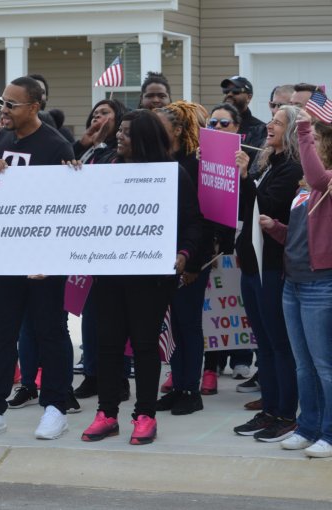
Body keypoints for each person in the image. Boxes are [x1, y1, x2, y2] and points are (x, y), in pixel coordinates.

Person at [80, 109, 202, 445]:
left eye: (126, 132)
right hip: (109, 273)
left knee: (145, 346)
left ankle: (145, 415)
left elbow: (193, 222)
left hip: (151, 278)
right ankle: (107, 414)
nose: (119, 136)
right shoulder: (106, 169)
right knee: (108, 345)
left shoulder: (172, 174)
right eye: (119, 131)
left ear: (145, 138)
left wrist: (184, 254)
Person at [0, 76, 76, 441]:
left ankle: (55, 407)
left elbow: (67, 203)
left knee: (50, 330)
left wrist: (53, 257)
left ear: (34, 107)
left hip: (44, 259)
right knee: (4, 331)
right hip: (5, 254)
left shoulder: (57, 145)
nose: (3, 109)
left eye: (11, 104)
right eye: (2, 102)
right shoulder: (1, 137)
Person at [261, 108, 332, 458]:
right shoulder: (305, 188)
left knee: (324, 366)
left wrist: (303, 126)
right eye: (308, 139)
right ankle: (308, 427)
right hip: (293, 282)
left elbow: (319, 178)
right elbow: (300, 235)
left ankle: (329, 433)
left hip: (321, 285)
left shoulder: (326, 181)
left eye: (315, 140)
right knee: (304, 364)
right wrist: (276, 229)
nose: (309, 145)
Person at [232, 105, 302, 442]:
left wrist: (246, 178)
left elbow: (269, 207)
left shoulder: (292, 168)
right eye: (271, 121)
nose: (270, 126)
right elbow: (246, 208)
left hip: (271, 266)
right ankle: (270, 409)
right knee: (264, 344)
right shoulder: (270, 164)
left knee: (278, 344)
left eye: (278, 122)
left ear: (292, 132)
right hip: (251, 264)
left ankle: (286, 414)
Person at [154, 101, 214, 415]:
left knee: (188, 324)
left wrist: (193, 263)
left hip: (189, 259)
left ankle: (191, 389)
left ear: (177, 130)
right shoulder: (159, 161)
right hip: (163, 259)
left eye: (160, 126)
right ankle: (178, 385)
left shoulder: (193, 164)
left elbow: (201, 218)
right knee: (173, 326)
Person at [189, 103, 253, 396]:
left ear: (237, 128)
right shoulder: (199, 156)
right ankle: (203, 369)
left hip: (235, 242)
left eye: (224, 123)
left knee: (227, 309)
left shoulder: (247, 159)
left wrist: (243, 174)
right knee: (206, 308)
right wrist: (197, 165)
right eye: (212, 123)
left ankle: (222, 365)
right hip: (207, 241)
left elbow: (252, 202)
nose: (216, 128)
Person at [70, 99, 130, 401]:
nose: (98, 118)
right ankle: (92, 374)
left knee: (115, 319)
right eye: (94, 114)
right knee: (91, 316)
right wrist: (83, 145)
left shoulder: (121, 154)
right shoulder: (87, 150)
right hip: (87, 244)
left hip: (115, 245)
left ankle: (119, 378)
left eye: (105, 113)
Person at [220, 75, 267, 149]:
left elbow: (259, 155)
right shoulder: (215, 124)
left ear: (249, 97)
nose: (229, 94)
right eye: (226, 91)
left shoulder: (260, 129)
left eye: (236, 91)